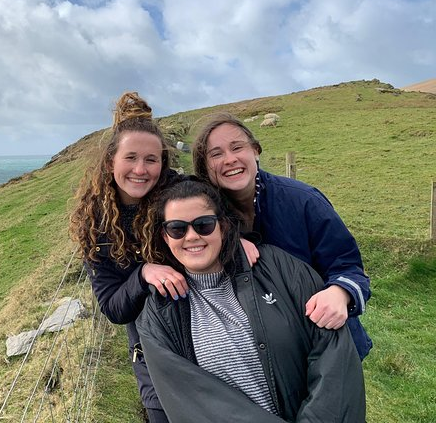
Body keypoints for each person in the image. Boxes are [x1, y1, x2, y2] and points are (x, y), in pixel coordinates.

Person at [136, 177, 366, 422]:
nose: (191, 236)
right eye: (177, 228)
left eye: (204, 225)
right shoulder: (159, 314)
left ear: (223, 226)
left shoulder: (279, 268)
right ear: (165, 235)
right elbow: (194, 402)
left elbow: (333, 355)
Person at [191, 113, 372, 360]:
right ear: (205, 165)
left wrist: (340, 293)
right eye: (216, 154)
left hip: (325, 344)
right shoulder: (204, 220)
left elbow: (348, 266)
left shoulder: (304, 200)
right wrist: (229, 235)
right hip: (258, 358)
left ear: (255, 150)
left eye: (237, 147)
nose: (230, 159)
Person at [69, 91, 186, 422]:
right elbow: (114, 308)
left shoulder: (184, 197)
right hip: (151, 355)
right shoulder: (95, 223)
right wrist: (144, 273)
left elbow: (218, 228)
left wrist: (240, 240)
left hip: (208, 340)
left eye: (151, 159)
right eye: (130, 157)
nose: (140, 169)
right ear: (111, 162)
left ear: (162, 164)